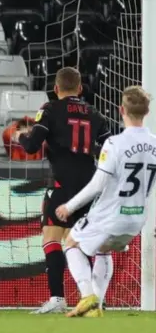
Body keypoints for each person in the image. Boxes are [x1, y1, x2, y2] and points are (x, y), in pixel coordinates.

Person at [12, 67, 111, 314]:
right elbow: (108, 152)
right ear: (80, 88)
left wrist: (21, 137)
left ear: (56, 89)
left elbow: (33, 146)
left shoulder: (50, 109)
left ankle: (58, 298)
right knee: (86, 242)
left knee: (51, 238)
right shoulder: (96, 114)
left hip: (61, 183)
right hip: (90, 185)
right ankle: (92, 297)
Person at [55, 86, 156, 318]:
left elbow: (98, 185)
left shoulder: (114, 143)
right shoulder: (155, 144)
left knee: (71, 242)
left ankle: (87, 295)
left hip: (110, 215)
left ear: (121, 110)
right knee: (103, 250)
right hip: (137, 219)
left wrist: (69, 206)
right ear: (147, 112)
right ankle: (96, 307)